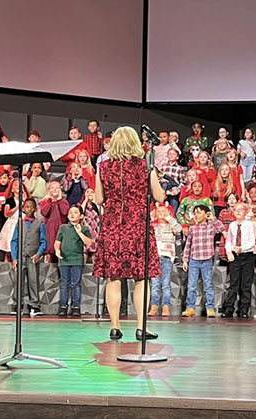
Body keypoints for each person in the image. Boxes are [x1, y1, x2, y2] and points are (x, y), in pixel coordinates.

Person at [94, 126, 166, 340]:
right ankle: (141, 327)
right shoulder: (145, 166)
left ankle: (115, 327)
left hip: (113, 226)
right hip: (137, 226)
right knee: (141, 279)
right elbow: (159, 196)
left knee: (113, 278)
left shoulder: (103, 167)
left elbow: (98, 199)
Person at [181, 206, 225, 318]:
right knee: (191, 285)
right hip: (194, 260)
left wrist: (213, 218)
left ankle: (210, 308)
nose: (196, 215)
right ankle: (190, 308)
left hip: (206, 259)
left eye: (199, 213)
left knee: (208, 285)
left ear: (206, 214)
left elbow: (221, 228)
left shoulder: (210, 227)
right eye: (195, 213)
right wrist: (185, 260)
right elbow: (188, 245)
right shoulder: (192, 228)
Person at [11, 198, 47, 317]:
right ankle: (18, 304)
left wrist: (38, 254)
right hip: (21, 257)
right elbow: (14, 241)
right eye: (27, 207)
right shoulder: (19, 223)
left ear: (35, 209)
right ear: (23, 209)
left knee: (33, 281)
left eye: (32, 207)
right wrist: (14, 258)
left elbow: (43, 242)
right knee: (18, 282)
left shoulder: (40, 223)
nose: (29, 209)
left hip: (33, 257)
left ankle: (34, 305)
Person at [54, 206, 93, 317]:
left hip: (77, 259)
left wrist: (79, 232)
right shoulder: (63, 228)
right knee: (64, 283)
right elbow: (57, 242)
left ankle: (76, 306)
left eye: (75, 212)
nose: (72, 214)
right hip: (64, 260)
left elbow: (89, 243)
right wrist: (57, 251)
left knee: (76, 284)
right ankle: (63, 306)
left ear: (81, 216)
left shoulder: (84, 228)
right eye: (70, 212)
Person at [148, 204, 182, 317]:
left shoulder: (171, 226)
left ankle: (166, 306)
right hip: (155, 257)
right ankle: (154, 306)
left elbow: (179, 229)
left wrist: (168, 218)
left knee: (166, 284)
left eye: (164, 212)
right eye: (159, 212)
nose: (161, 214)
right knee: (155, 284)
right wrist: (152, 216)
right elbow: (144, 227)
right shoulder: (153, 225)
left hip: (167, 257)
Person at [222, 203, 255, 318]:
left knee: (246, 284)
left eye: (241, 210)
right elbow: (229, 241)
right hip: (235, 256)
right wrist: (229, 252)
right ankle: (229, 308)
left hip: (247, 255)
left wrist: (242, 248)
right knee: (233, 283)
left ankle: (244, 309)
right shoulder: (232, 225)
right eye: (236, 210)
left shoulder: (249, 224)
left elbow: (252, 241)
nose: (238, 212)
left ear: (246, 212)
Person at [40, 181, 69, 263]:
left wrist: (59, 200)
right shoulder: (45, 202)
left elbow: (64, 212)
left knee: (59, 250)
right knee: (49, 251)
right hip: (48, 230)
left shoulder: (64, 202)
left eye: (57, 188)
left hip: (59, 229)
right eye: (52, 188)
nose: (55, 190)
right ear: (48, 190)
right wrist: (50, 200)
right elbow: (44, 212)